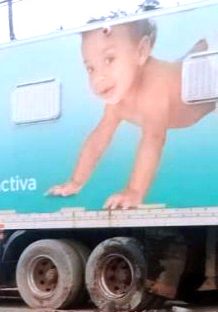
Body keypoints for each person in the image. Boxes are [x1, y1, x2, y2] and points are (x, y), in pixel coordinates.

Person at [47, 19, 216, 209]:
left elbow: (153, 137)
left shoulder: (155, 83)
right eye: (90, 68)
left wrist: (135, 191)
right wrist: (75, 181)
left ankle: (202, 46)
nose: (98, 76)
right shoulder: (120, 98)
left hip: (204, 73)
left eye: (109, 60)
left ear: (141, 52)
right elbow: (98, 140)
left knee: (203, 56)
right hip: (188, 69)